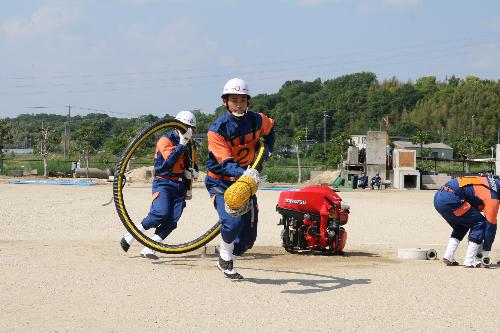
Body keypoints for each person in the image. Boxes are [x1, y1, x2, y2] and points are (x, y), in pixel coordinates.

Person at [205, 78, 275, 279]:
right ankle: (225, 259)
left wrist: (267, 150)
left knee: (247, 241)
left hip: (247, 182)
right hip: (221, 181)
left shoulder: (257, 119)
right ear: (224, 101)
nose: (238, 104)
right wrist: (246, 173)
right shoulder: (217, 130)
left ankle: (225, 251)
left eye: (242, 100)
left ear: (248, 101)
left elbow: (270, 130)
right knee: (232, 223)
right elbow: (225, 163)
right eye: (233, 99)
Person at [120, 110, 198, 259]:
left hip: (180, 185)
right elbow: (170, 161)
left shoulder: (191, 145)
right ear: (177, 125)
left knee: (173, 220)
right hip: (164, 182)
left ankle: (150, 248)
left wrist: (193, 171)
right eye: (185, 127)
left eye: (191, 128)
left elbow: (193, 163)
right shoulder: (165, 140)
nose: (188, 130)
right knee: (159, 214)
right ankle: (130, 236)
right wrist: (181, 144)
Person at [434, 175, 499, 267]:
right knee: (479, 223)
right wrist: (486, 252)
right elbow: (490, 226)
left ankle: (448, 256)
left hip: (439, 198)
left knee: (461, 225)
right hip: (451, 199)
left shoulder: (487, 181)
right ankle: (470, 260)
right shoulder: (493, 197)